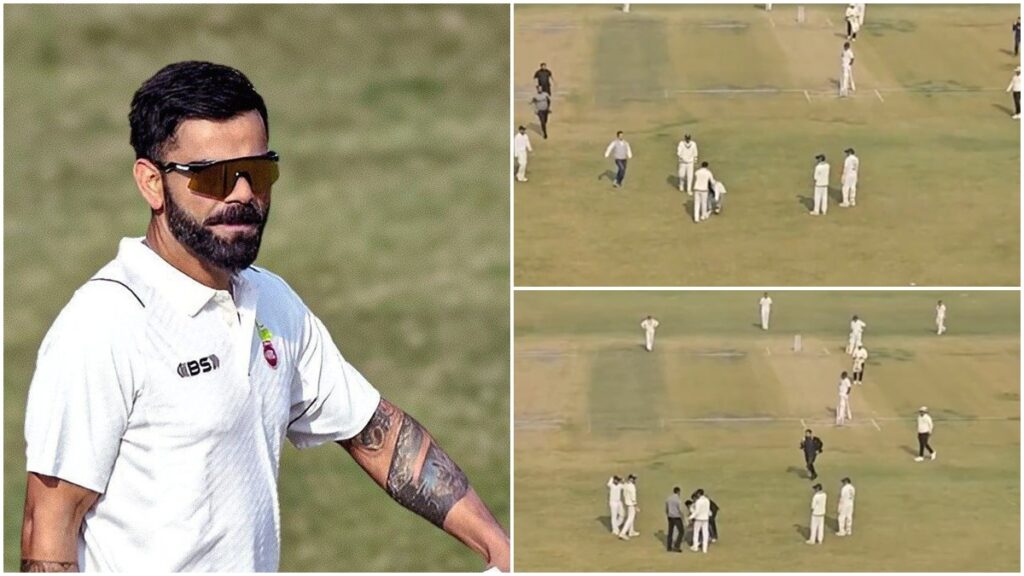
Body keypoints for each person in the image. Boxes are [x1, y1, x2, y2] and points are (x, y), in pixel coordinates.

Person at [18, 61, 509, 572]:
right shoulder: (105, 325)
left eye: (259, 170)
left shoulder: (270, 301)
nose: (243, 195)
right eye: (213, 177)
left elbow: (376, 434)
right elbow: (48, 526)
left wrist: (500, 546)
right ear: (151, 183)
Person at [688, 489, 711, 553]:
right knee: (705, 533)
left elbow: (697, 512)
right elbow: (708, 510)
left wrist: (690, 517)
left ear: (699, 494)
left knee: (696, 533)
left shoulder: (698, 501)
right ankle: (704, 549)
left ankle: (695, 547)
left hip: (699, 519)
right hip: (705, 519)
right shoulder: (707, 500)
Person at [618, 474, 640, 539]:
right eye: (634, 479)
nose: (635, 480)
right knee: (630, 518)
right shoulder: (632, 486)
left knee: (631, 517)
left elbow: (623, 485)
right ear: (632, 479)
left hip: (627, 503)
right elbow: (633, 498)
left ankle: (631, 531)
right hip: (631, 504)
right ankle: (623, 533)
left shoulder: (626, 485)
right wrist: (636, 506)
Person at [665, 487, 685, 552]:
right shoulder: (678, 499)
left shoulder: (668, 498)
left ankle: (669, 547)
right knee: (681, 531)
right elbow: (680, 509)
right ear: (678, 492)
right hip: (676, 517)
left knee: (670, 532)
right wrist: (683, 516)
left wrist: (668, 514)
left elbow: (666, 508)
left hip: (670, 517)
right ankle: (676, 546)